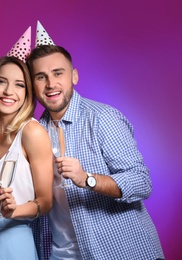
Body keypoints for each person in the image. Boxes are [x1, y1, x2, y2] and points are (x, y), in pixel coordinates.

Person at [27, 27, 165, 259]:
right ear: (33, 85)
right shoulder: (33, 132)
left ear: (74, 76)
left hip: (119, 253)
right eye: (41, 77)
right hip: (61, 254)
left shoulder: (102, 118)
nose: (50, 84)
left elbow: (141, 182)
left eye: (58, 73)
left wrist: (87, 179)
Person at [0, 54, 53, 260]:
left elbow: (45, 202)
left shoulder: (32, 132)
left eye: (19, 85)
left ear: (27, 93)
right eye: (1, 82)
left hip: (12, 241)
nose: (9, 91)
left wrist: (14, 210)